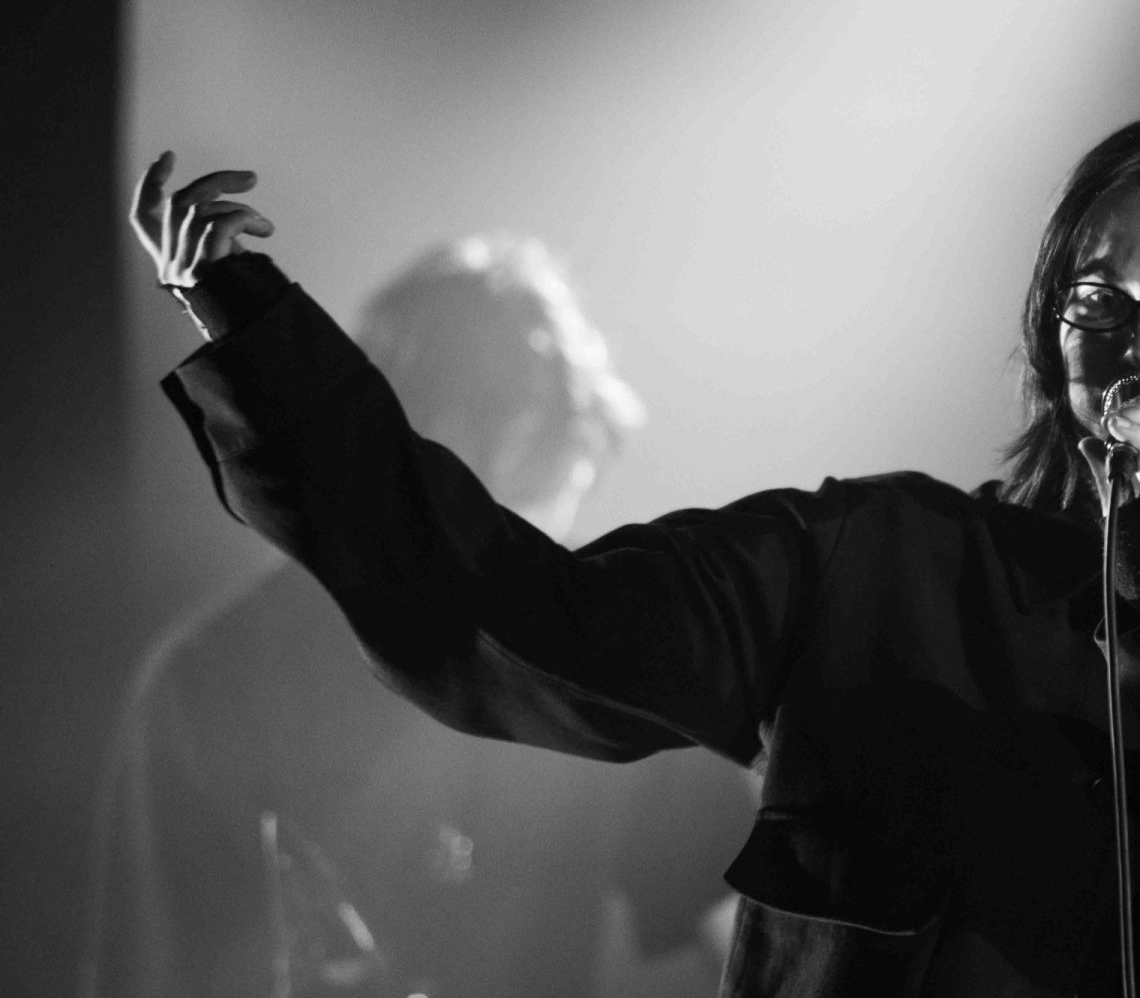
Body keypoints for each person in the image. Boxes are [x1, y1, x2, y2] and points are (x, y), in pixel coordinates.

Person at [129, 113, 1140, 996]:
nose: (1137, 348)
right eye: (1096, 303)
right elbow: (511, 615)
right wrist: (262, 345)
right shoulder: (869, 557)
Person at [86, 233, 759, 998]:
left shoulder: (607, 649)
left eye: (550, 517)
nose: (537, 563)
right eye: (506, 514)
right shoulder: (213, 680)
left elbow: (749, 931)